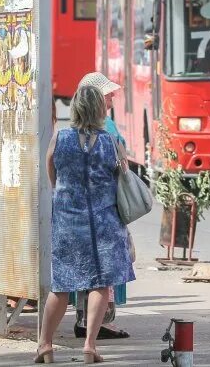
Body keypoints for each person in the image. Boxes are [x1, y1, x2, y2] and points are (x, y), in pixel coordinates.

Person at [35, 86, 135, 365]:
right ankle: (90, 346)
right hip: (104, 223)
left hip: (68, 222)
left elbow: (53, 178)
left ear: (76, 108)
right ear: (100, 110)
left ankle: (45, 345)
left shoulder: (60, 138)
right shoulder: (111, 143)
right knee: (100, 284)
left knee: (62, 286)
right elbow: (124, 181)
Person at [72, 72, 131, 340]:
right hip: (104, 209)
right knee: (103, 270)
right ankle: (97, 325)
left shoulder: (80, 131)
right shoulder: (102, 129)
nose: (113, 95)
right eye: (107, 93)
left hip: (86, 209)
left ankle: (87, 321)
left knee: (90, 268)